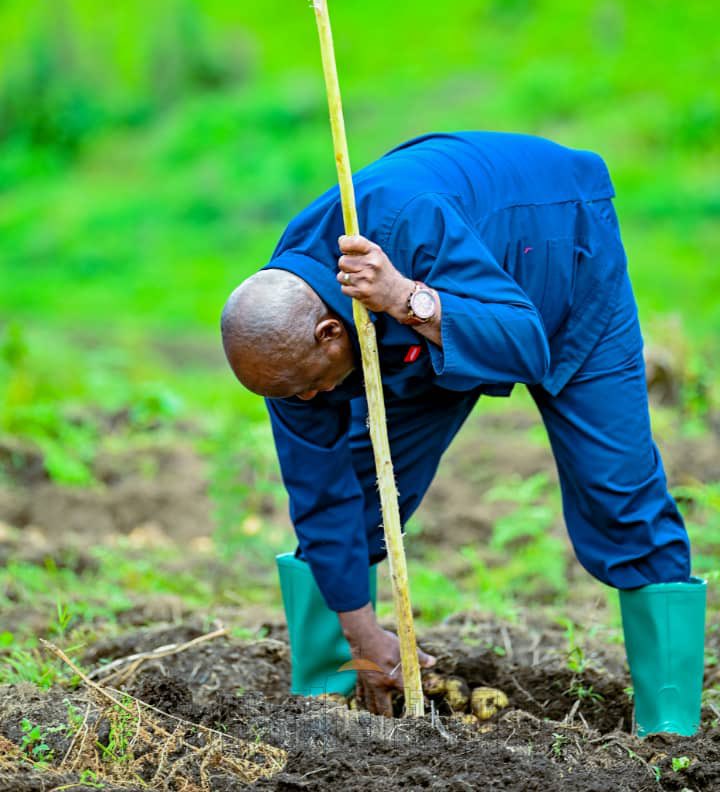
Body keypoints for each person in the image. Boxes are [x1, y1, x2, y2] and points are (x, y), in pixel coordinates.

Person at [221, 131, 705, 734]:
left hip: (559, 263)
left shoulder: (408, 225)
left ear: (330, 333)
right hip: (415, 331)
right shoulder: (283, 346)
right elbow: (318, 490)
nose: (307, 402)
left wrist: (403, 298)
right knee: (363, 492)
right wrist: (363, 632)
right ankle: (325, 703)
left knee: (619, 491)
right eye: (291, 394)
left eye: (310, 387)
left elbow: (525, 345)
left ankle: (670, 730)